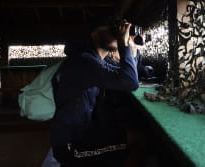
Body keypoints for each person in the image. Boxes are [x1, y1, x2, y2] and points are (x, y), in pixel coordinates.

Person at [50, 20, 142, 166]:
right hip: (71, 143)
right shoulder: (84, 61)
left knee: (127, 126)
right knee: (138, 137)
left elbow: (126, 74)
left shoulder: (93, 59)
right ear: (94, 35)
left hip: (81, 132)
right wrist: (122, 43)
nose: (116, 33)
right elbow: (130, 82)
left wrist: (131, 47)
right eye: (112, 30)